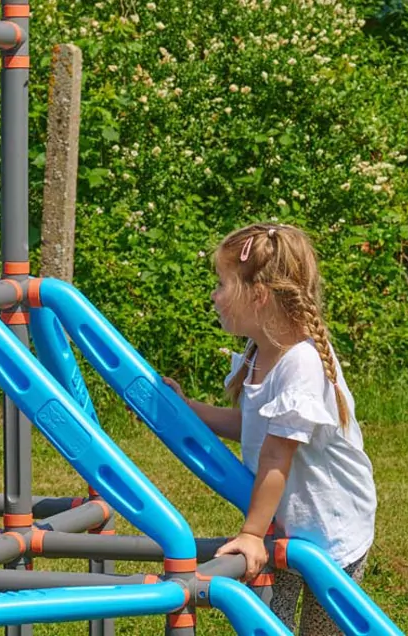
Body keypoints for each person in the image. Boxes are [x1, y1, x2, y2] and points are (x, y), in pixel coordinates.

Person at [164, 223, 377, 634]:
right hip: (284, 528)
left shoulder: (300, 363)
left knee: (324, 629)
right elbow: (252, 428)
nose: (214, 295)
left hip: (332, 532)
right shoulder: (258, 351)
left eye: (222, 284)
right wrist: (187, 409)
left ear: (258, 296)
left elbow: (278, 455)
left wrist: (250, 533)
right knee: (269, 621)